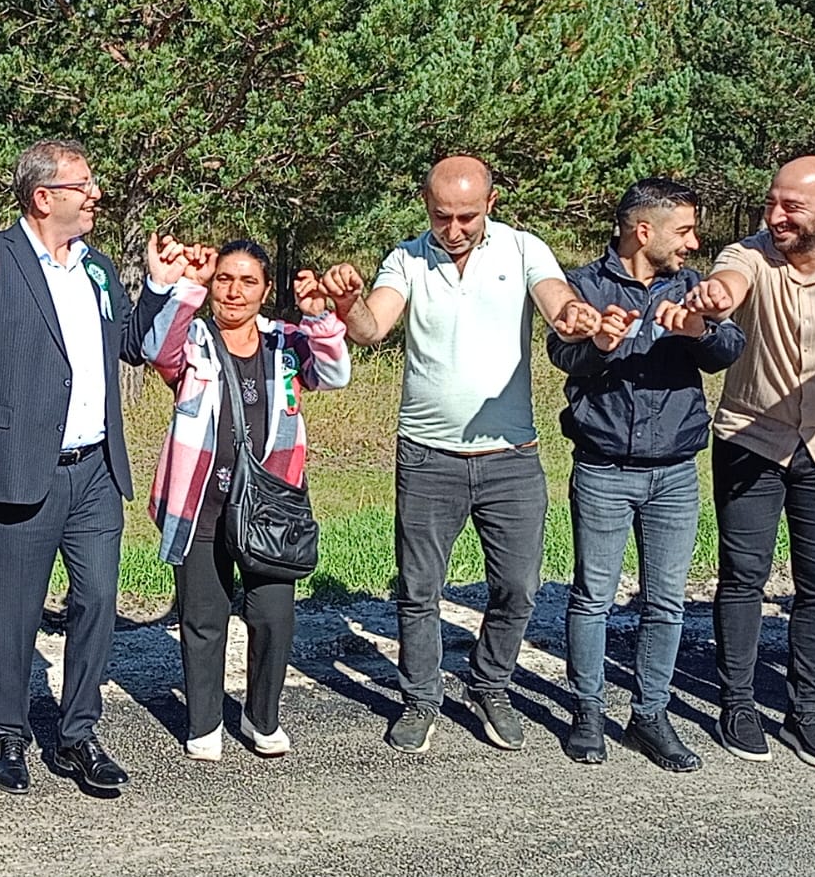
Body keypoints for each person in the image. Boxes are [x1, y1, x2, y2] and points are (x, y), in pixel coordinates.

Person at [328, 155, 601, 755]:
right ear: (426, 206)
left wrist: (574, 316)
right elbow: (373, 327)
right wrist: (348, 304)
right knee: (419, 588)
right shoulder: (407, 257)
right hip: (428, 456)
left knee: (518, 587)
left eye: (467, 217)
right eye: (441, 216)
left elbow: (557, 303)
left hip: (512, 456)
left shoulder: (523, 249)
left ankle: (490, 683)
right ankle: (421, 697)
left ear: (491, 203)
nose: (453, 229)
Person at [0, 139, 169, 794]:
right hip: (20, 465)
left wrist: (154, 286)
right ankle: (9, 731)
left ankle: (76, 733)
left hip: (95, 467)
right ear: (44, 197)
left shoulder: (97, 267)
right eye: (82, 185)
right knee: (14, 611)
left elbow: (128, 345)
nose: (94, 193)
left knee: (98, 598)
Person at [683, 156, 815, 770]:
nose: (774, 217)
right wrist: (715, 299)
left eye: (790, 207)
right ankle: (738, 703)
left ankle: (808, 712)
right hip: (752, 437)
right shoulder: (749, 252)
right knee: (743, 575)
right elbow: (728, 282)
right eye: (771, 203)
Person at [547, 178, 745, 771]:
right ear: (644, 230)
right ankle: (587, 711)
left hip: (676, 473)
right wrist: (601, 342)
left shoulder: (694, 288)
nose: (692, 242)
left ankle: (650, 714)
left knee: (666, 602)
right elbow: (564, 354)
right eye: (683, 230)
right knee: (593, 598)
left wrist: (699, 330)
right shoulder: (583, 285)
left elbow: (727, 348)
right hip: (604, 468)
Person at [141, 236, 354, 760]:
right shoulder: (193, 339)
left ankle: (262, 718)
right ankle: (205, 722)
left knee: (272, 617)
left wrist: (318, 319)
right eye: (225, 280)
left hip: (271, 506)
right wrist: (187, 287)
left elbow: (334, 373)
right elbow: (154, 350)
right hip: (203, 504)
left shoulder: (284, 341)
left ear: (265, 291)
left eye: (248, 282)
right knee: (203, 619)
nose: (234, 292)